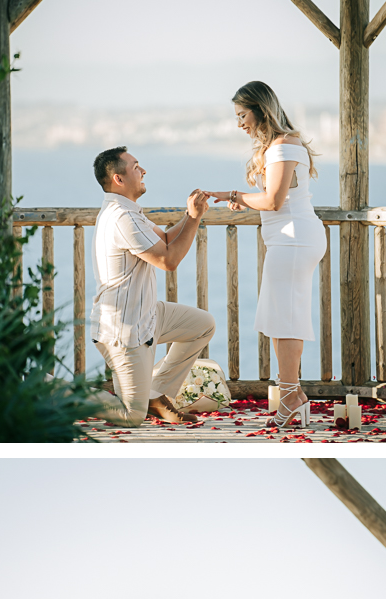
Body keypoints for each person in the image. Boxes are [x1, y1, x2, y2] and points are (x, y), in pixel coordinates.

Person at [205, 82, 327, 429]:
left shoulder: (284, 146)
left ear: (261, 110)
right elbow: (275, 199)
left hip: (293, 239)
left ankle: (290, 396)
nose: (239, 123)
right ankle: (292, 395)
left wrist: (237, 195)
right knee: (281, 317)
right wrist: (246, 198)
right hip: (289, 239)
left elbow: (273, 201)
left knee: (286, 318)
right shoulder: (281, 146)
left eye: (242, 115)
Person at [89, 148, 216, 427]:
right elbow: (167, 260)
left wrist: (191, 213)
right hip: (124, 328)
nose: (143, 170)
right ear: (118, 179)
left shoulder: (129, 212)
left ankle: (155, 395)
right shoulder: (123, 218)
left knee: (203, 324)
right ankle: (52, 391)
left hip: (146, 314)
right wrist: (193, 219)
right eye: (136, 167)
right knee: (130, 416)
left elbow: (168, 239)